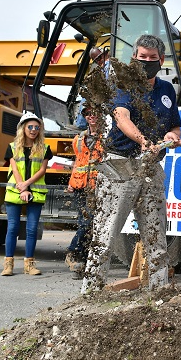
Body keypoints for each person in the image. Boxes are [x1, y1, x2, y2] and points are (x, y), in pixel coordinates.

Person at [83, 34, 181, 291]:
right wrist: (142, 140)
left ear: (161, 60)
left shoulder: (167, 89)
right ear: (134, 59)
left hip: (150, 165)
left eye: (152, 58)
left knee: (156, 234)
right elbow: (121, 117)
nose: (147, 62)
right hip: (120, 164)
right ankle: (90, 292)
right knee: (106, 233)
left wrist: (173, 136)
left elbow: (174, 125)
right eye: (142, 57)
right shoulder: (123, 85)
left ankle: (159, 291)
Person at [2, 112, 52, 276]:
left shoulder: (45, 148)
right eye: (30, 127)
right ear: (23, 128)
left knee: (31, 230)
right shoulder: (12, 147)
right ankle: (8, 265)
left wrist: (27, 186)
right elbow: (15, 169)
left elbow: (43, 170)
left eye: (37, 127)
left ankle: (29, 264)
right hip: (15, 190)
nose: (33, 130)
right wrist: (22, 188)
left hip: (35, 191)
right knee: (13, 228)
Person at [65, 104, 104, 279]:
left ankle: (79, 257)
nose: (91, 116)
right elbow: (78, 162)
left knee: (92, 225)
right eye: (88, 114)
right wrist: (71, 182)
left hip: (98, 187)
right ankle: (76, 256)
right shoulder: (79, 139)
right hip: (81, 187)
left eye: (95, 113)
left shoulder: (107, 138)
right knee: (86, 223)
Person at [75, 47, 110, 129]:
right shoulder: (114, 64)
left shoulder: (107, 67)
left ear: (99, 59)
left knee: (86, 94)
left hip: (108, 97)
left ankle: (81, 124)